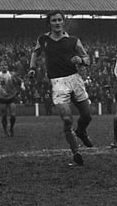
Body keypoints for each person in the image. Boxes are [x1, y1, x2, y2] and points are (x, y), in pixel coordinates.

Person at [27, 10, 94, 166]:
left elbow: (88, 59)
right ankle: (76, 151)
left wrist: (81, 60)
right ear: (49, 23)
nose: (57, 23)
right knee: (66, 119)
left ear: (63, 22)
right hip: (58, 83)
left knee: (87, 115)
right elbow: (35, 53)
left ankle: (81, 131)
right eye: (53, 20)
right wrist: (32, 68)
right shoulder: (43, 39)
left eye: (59, 20)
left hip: (75, 80)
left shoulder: (73, 40)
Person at [0, 61, 24, 137]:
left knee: (13, 115)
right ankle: (5, 131)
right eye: (2, 65)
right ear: (0, 67)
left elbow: (21, 81)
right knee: (4, 115)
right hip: (2, 97)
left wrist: (22, 86)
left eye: (5, 65)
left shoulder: (12, 75)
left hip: (12, 96)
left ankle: (11, 128)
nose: (3, 67)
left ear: (7, 66)